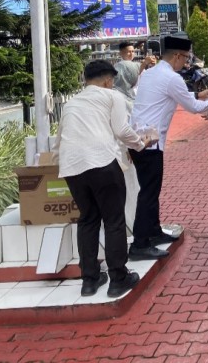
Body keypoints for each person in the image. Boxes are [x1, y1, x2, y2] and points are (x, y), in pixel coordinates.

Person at [56, 60, 152, 298]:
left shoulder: (71, 104)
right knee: (113, 220)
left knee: (87, 219)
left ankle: (89, 279)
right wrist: (140, 144)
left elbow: (60, 139)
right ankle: (118, 277)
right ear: (109, 80)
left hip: (72, 167)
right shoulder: (112, 97)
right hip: (101, 163)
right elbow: (121, 130)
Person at [129, 35, 208, 260]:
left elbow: (167, 96)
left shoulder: (150, 73)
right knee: (149, 194)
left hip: (139, 140)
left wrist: (196, 94)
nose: (187, 63)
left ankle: (153, 232)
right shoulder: (172, 78)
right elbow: (193, 107)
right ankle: (140, 245)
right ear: (176, 56)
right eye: (186, 58)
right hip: (150, 143)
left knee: (150, 191)